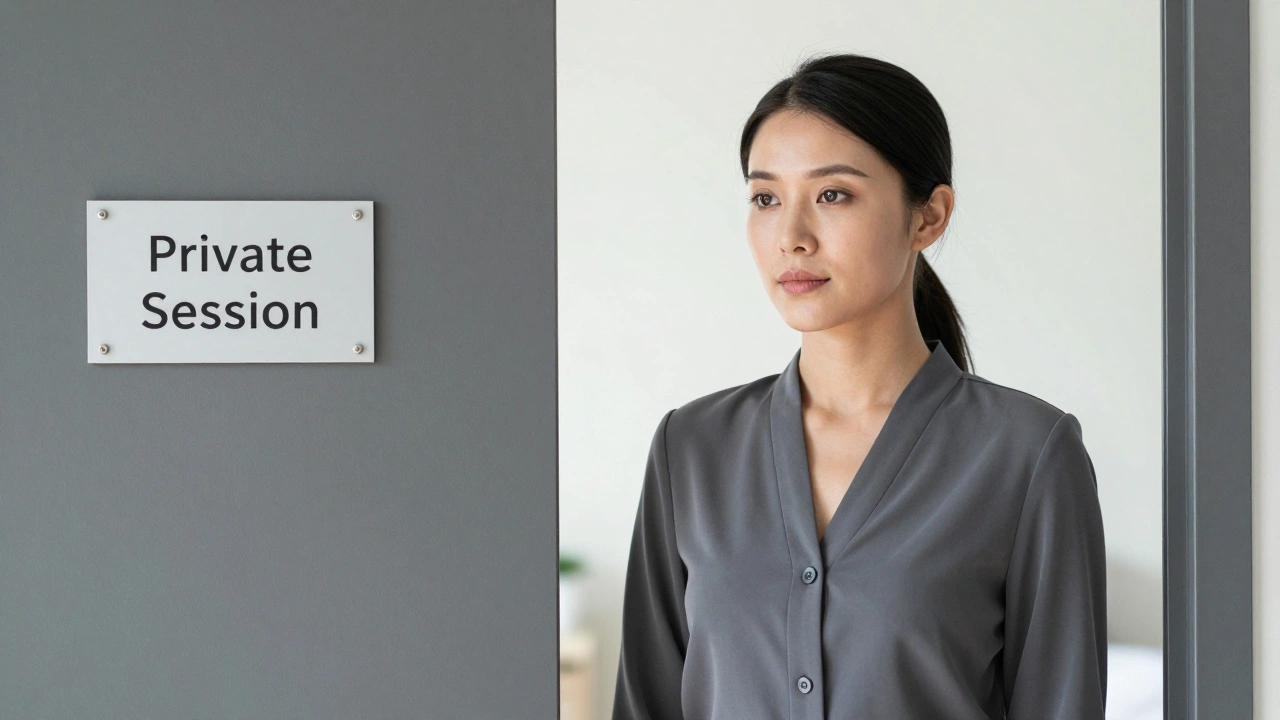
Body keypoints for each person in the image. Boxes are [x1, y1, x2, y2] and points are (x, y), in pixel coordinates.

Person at [611, 53, 1107, 720]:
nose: (791, 236)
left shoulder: (1028, 455)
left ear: (929, 217)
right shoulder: (691, 450)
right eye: (765, 198)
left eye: (833, 195)